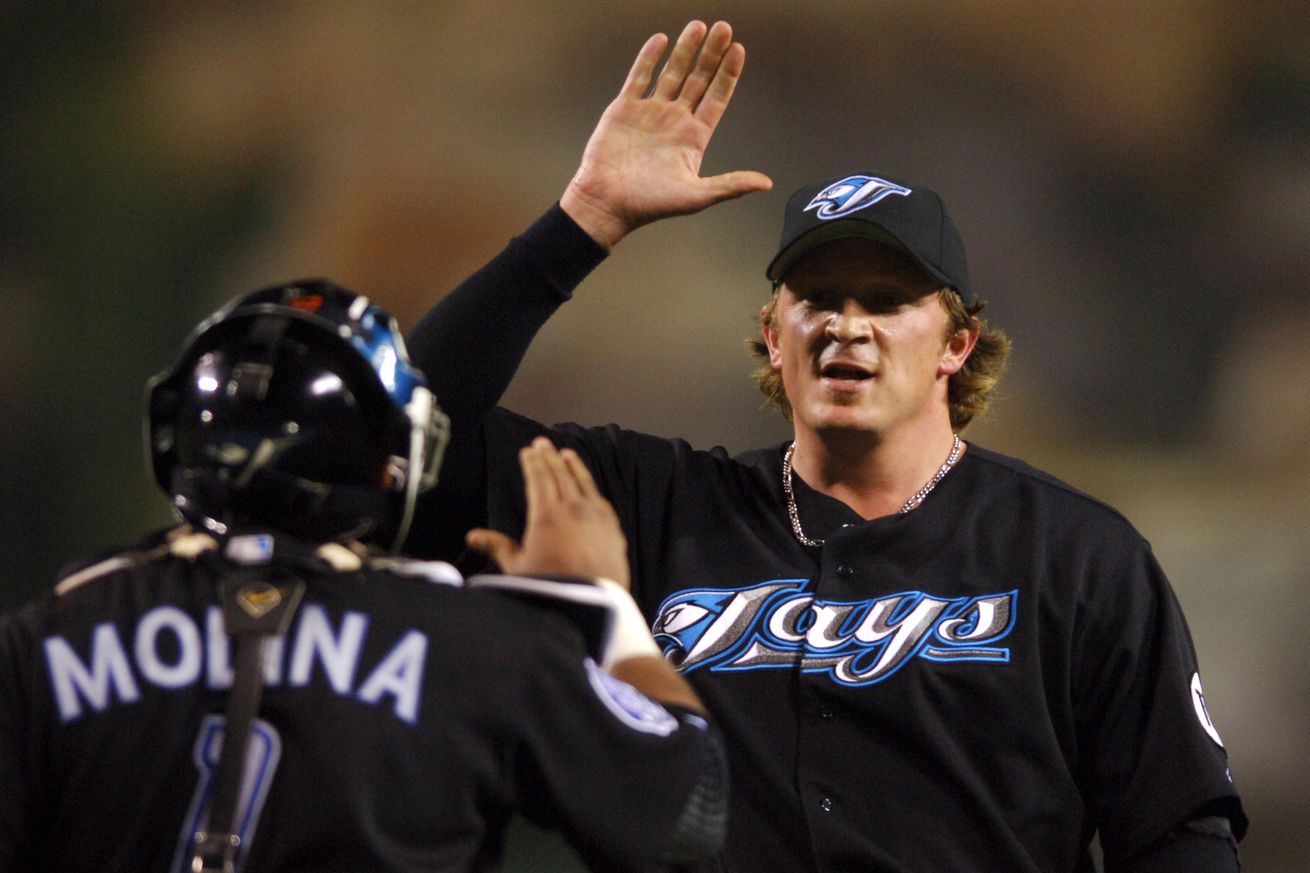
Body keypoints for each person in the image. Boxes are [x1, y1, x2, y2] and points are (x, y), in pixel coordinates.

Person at [402, 19, 1248, 873]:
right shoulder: (650, 505)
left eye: (887, 300)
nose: (848, 324)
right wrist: (582, 221)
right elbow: (396, 431)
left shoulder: (1075, 556)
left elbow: (1180, 836)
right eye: (818, 296)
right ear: (775, 334)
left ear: (957, 343)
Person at [0, 279, 727, 873]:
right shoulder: (480, 644)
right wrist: (595, 601)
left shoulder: (44, 639)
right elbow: (689, 815)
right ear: (393, 459)